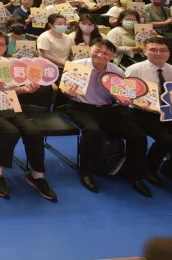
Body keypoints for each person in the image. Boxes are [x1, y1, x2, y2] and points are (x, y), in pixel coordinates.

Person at [0, 30, 56, 201]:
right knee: (10, 132)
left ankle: (37, 175)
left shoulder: (9, 64)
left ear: (6, 47)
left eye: (0, 44)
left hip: (8, 104)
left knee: (34, 132)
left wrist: (23, 89)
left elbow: (12, 88)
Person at [57, 39, 152, 195]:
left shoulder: (117, 72)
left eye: (106, 53)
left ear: (112, 56)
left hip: (107, 109)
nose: (100, 55)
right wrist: (67, 92)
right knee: (92, 131)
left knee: (138, 135)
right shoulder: (77, 66)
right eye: (97, 50)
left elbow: (122, 96)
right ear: (90, 49)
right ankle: (86, 172)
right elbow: (64, 93)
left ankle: (134, 174)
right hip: (80, 106)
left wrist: (124, 101)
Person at [125, 36, 172, 189]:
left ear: (169, 53)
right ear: (145, 51)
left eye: (163, 50)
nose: (158, 53)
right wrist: (139, 102)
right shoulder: (135, 69)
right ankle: (149, 168)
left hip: (169, 112)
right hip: (142, 112)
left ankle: (171, 170)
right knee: (167, 140)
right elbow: (126, 93)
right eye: (153, 49)